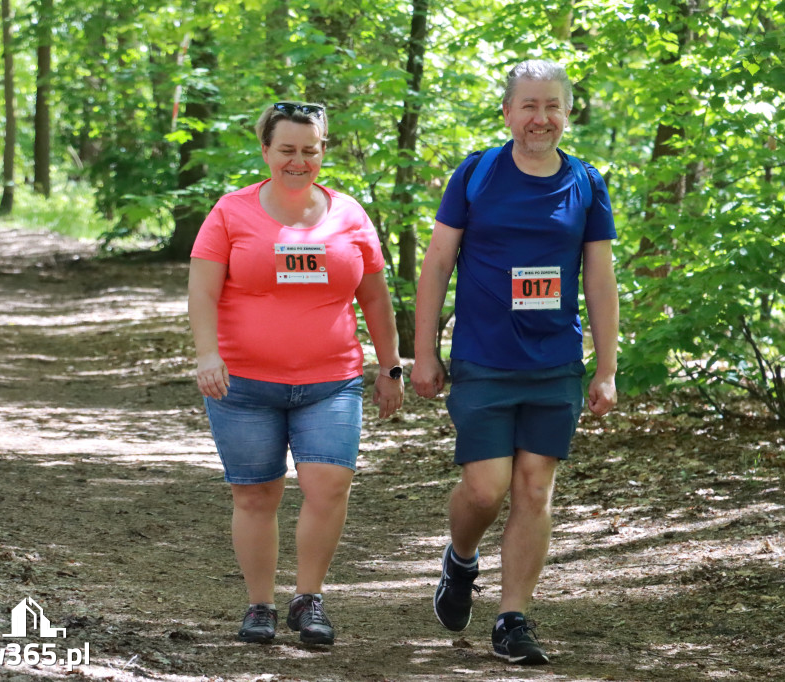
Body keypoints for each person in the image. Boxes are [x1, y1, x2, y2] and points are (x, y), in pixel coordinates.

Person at [411, 60, 619, 665]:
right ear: (507, 113)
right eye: (528, 106)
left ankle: (512, 619)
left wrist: (606, 366)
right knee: (485, 487)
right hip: (484, 359)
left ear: (567, 114)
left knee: (534, 487)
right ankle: (460, 560)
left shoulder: (586, 183)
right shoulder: (476, 175)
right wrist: (423, 352)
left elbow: (600, 280)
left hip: (555, 363)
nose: (541, 118)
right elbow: (437, 264)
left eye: (552, 106)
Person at [188, 101, 404, 646]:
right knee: (257, 495)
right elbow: (203, 289)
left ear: (323, 152)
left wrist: (391, 365)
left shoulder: (349, 215)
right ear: (266, 151)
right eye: (286, 149)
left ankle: (309, 599)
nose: (298, 160)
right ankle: (260, 605)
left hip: (330, 380)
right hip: (243, 384)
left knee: (329, 484)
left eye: (310, 150)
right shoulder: (231, 212)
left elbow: (375, 299)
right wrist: (207, 355)